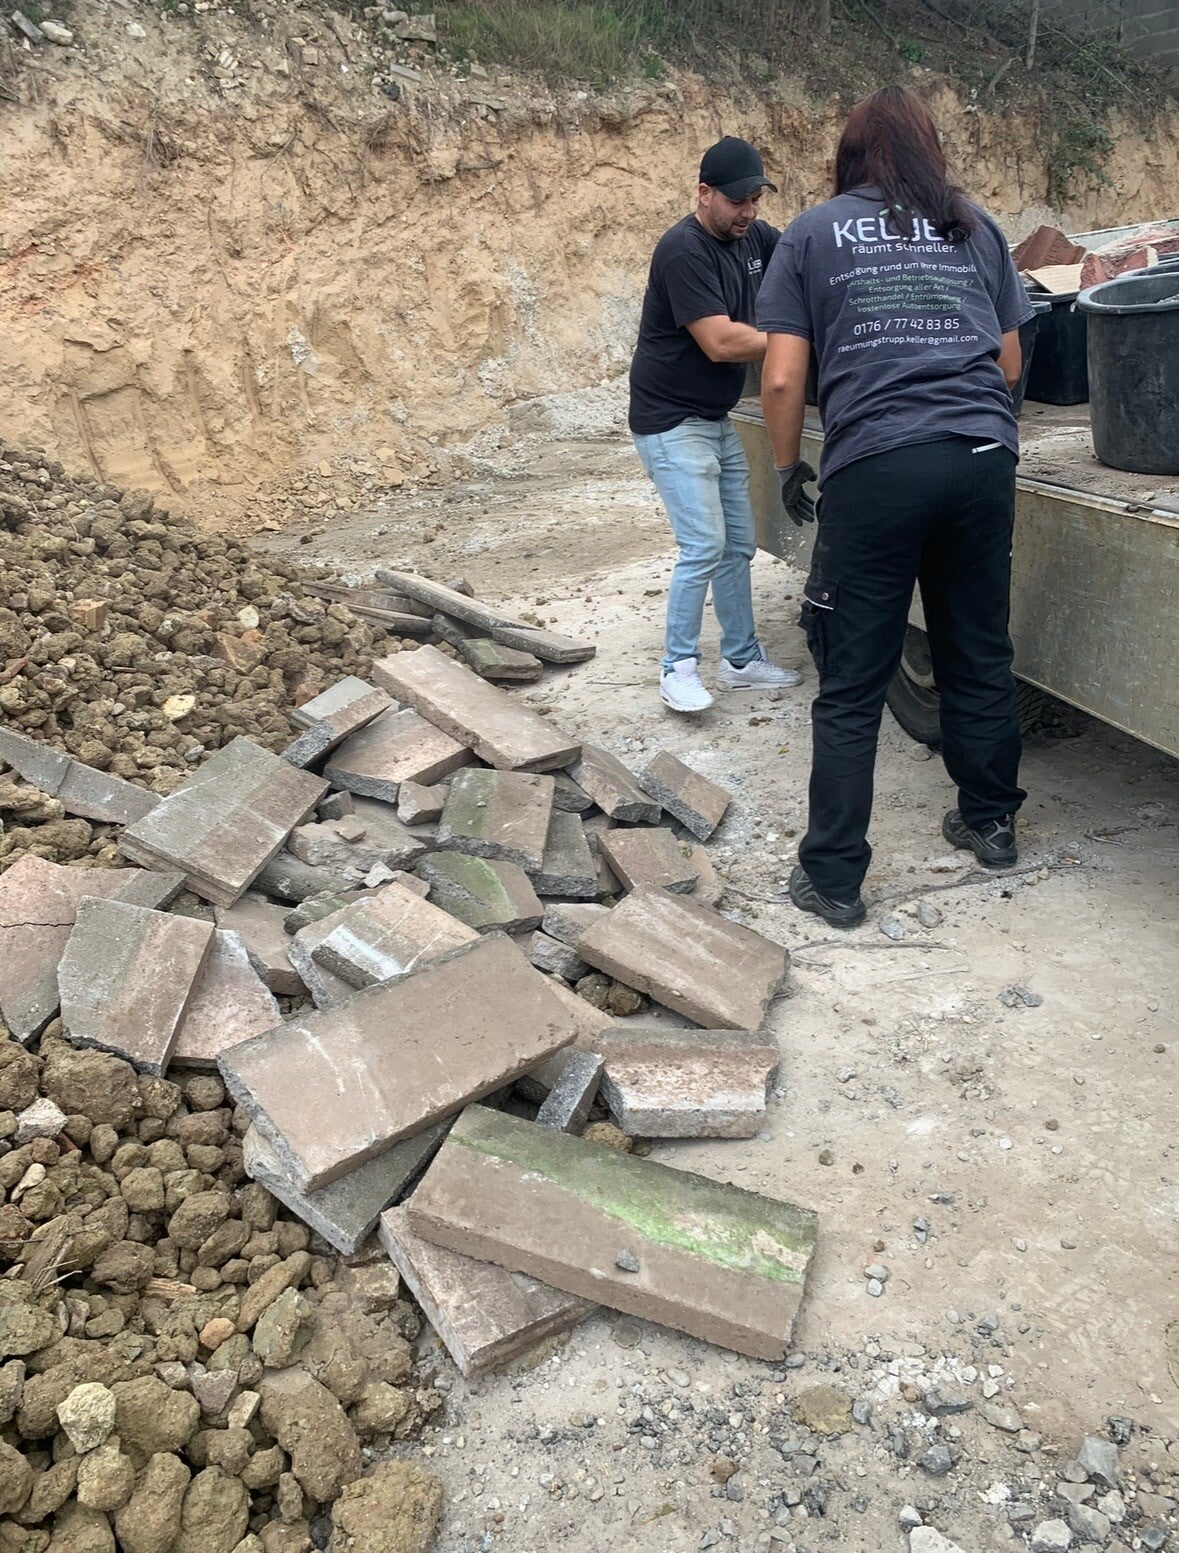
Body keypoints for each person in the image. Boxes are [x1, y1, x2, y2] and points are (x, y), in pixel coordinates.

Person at [757, 86, 1033, 928]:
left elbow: (781, 378)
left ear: (848, 156)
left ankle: (834, 877)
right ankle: (990, 823)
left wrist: (787, 466)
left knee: (852, 678)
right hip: (980, 456)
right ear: (926, 149)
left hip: (876, 464)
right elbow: (1009, 362)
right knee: (976, 649)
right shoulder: (973, 225)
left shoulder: (811, 233)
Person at [629, 136, 802, 713]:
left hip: (713, 417)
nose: (748, 211)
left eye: (755, 199)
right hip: (669, 421)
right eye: (736, 201)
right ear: (704, 194)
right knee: (704, 543)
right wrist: (802, 338)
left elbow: (803, 254)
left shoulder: (753, 237)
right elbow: (723, 342)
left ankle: (741, 659)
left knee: (738, 545)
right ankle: (676, 667)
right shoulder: (683, 250)